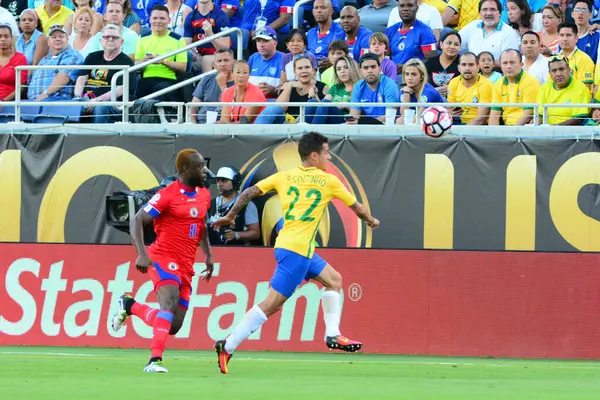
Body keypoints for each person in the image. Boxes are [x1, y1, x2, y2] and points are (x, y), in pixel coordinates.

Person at [212, 131, 380, 375]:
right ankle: (227, 345)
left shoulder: (284, 176)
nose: (329, 157)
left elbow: (248, 193)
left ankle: (333, 334)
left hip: (294, 247)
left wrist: (230, 215)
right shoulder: (329, 181)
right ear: (314, 156)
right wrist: (371, 220)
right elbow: (357, 207)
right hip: (296, 252)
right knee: (271, 305)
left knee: (334, 280)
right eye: (326, 152)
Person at [112, 149, 215, 374]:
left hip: (187, 265)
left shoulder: (204, 195)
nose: (204, 170)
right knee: (168, 304)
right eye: (199, 166)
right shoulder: (167, 194)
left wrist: (208, 254)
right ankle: (154, 360)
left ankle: (129, 305)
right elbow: (137, 219)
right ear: (186, 169)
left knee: (173, 326)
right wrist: (141, 253)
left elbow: (201, 225)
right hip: (163, 257)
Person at [74, 24, 135, 123]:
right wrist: (77, 97)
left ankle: (98, 137)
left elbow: (121, 89)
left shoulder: (127, 62)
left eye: (114, 37)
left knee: (100, 108)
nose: (110, 39)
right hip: (86, 97)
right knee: (70, 105)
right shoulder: (92, 57)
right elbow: (81, 78)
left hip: (113, 102)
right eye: (106, 37)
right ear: (100, 40)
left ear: (121, 42)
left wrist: (97, 101)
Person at [135, 5, 187, 101]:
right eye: (155, 18)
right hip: (145, 80)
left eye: (162, 18)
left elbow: (183, 67)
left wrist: (163, 61)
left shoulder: (178, 39)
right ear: (150, 20)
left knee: (160, 91)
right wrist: (143, 61)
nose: (158, 21)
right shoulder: (142, 38)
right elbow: (136, 64)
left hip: (168, 80)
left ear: (169, 20)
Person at [255, 55, 328, 124]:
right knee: (272, 109)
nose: (304, 71)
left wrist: (315, 96)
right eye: (300, 68)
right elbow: (278, 108)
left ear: (313, 70)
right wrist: (289, 86)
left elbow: (324, 112)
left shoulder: (323, 87)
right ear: (294, 72)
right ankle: (255, 134)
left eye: (307, 67)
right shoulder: (288, 85)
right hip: (287, 124)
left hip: (310, 126)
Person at [206, 166, 261, 246]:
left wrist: (236, 235)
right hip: (214, 252)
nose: (219, 184)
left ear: (235, 182)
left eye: (224, 180)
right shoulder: (211, 203)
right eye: (218, 181)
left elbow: (255, 233)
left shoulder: (247, 205)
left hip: (237, 253)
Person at [27, 24, 82, 101]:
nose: (57, 39)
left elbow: (64, 76)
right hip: (32, 102)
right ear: (48, 42)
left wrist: (46, 93)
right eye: (54, 37)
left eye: (61, 36)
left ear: (67, 39)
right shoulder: (44, 59)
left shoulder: (72, 54)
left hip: (56, 99)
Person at [489, 48, 540, 125]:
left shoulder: (530, 81)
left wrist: (512, 132)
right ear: (501, 66)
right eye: (505, 63)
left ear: (521, 64)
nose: (508, 66)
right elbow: (494, 116)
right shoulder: (498, 84)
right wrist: (494, 134)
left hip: (525, 128)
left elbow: (528, 114)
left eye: (512, 62)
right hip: (507, 127)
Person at [536, 54, 590, 125]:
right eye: (554, 71)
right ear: (550, 73)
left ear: (569, 70)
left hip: (570, 132)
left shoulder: (581, 88)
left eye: (561, 69)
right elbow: (540, 114)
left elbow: (578, 119)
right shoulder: (544, 88)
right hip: (546, 130)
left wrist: (555, 127)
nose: (558, 74)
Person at [386, 0, 437, 73]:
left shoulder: (425, 31)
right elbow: (386, 56)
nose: (405, 9)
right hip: (392, 76)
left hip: (415, 76)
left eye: (410, 5)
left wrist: (407, 67)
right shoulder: (390, 30)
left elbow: (432, 60)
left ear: (417, 9)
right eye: (402, 6)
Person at [348, 52, 400, 124]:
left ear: (379, 68)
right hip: (366, 127)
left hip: (387, 126)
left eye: (373, 67)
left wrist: (365, 122)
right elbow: (354, 115)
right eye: (366, 68)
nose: (370, 71)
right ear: (360, 71)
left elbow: (390, 116)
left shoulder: (389, 84)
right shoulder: (358, 86)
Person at [310, 55, 361, 124]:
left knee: (325, 103)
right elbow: (323, 106)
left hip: (348, 121)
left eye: (346, 67)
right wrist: (315, 96)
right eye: (338, 69)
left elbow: (364, 111)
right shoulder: (335, 87)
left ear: (353, 68)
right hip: (332, 119)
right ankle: (304, 132)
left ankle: (312, 133)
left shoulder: (361, 87)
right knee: (312, 102)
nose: (342, 71)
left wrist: (346, 105)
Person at [189, 47, 234, 124]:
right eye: (219, 61)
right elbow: (194, 105)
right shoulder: (206, 79)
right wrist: (193, 123)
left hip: (226, 125)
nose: (223, 64)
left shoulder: (239, 81)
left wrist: (223, 85)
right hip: (202, 122)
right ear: (214, 64)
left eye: (226, 60)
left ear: (233, 62)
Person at [183, 0, 230, 73]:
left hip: (219, 56)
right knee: (184, 58)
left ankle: (205, 84)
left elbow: (225, 49)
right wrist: (192, 53)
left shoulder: (221, 15)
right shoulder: (191, 16)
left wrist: (210, 34)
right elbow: (186, 45)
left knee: (206, 59)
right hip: (198, 56)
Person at [447, 52, 493, 125]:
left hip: (479, 127)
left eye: (471, 65)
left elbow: (481, 118)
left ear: (478, 67)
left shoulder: (486, 85)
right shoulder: (453, 82)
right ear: (459, 68)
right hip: (457, 122)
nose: (467, 68)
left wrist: (463, 132)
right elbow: (450, 109)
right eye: (464, 65)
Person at [397, 58, 444, 124]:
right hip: (420, 123)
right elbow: (403, 115)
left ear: (422, 76)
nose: (409, 78)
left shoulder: (429, 91)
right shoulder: (405, 90)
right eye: (407, 74)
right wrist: (406, 93)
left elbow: (418, 116)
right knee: (400, 120)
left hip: (437, 123)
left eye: (414, 74)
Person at [218, 59, 266, 124]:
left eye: (245, 72)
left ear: (249, 75)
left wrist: (227, 126)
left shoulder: (257, 93)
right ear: (232, 74)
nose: (241, 76)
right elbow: (224, 119)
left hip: (252, 131)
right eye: (238, 72)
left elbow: (245, 121)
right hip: (231, 131)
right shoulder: (227, 92)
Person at [248, 26, 284, 99]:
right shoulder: (253, 58)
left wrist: (274, 90)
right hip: (252, 101)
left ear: (275, 43)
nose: (261, 45)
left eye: (265, 41)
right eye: (258, 41)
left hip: (275, 103)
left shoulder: (285, 59)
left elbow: (291, 88)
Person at [424, 31, 461, 99]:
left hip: (456, 102)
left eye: (456, 44)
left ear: (460, 47)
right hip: (431, 101)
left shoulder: (463, 63)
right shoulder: (429, 63)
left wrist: (452, 89)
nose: (452, 47)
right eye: (449, 43)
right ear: (441, 44)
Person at [307, 0, 344, 66]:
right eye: (316, 8)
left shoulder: (341, 32)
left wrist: (334, 60)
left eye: (323, 7)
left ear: (331, 11)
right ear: (313, 12)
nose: (319, 11)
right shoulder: (310, 33)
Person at [0, 22, 27, 102]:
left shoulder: (20, 58)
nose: (3, 39)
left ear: (11, 39)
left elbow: (22, 86)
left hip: (12, 103)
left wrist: (3, 102)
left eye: (6, 36)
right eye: (0, 36)